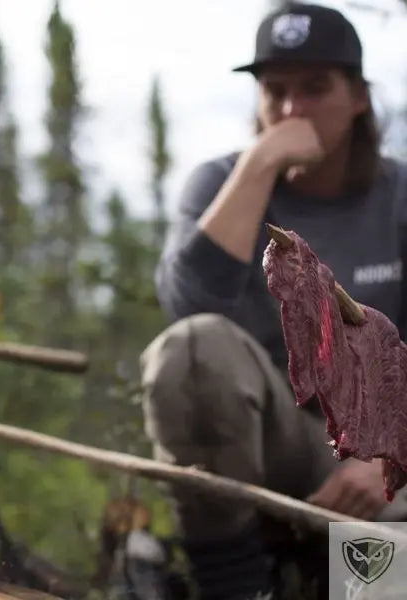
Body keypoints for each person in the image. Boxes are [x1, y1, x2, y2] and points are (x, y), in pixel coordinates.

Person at [140, 2, 407, 599]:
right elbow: (189, 312)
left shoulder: (398, 199)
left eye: (315, 89)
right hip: (268, 445)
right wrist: (261, 164)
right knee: (193, 347)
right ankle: (234, 586)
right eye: (275, 91)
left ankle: (346, 578)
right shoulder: (221, 184)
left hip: (381, 458)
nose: (292, 110)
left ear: (358, 97)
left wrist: (389, 452)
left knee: (378, 572)